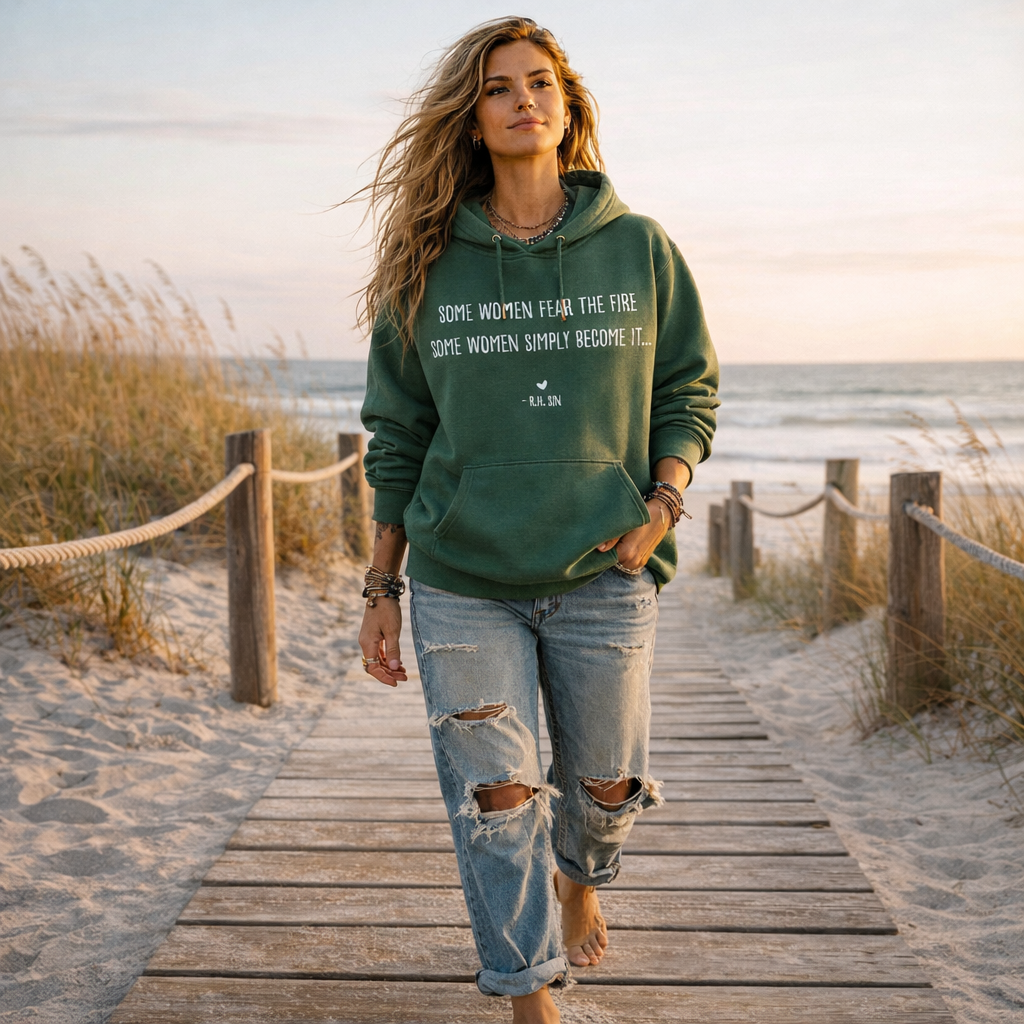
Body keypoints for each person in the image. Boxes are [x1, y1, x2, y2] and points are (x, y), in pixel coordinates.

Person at [356, 17, 718, 1024]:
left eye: (542, 84)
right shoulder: (426, 262)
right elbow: (397, 431)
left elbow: (687, 390)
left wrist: (661, 503)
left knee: (603, 787)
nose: (524, 100)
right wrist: (382, 586)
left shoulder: (640, 249)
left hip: (604, 565)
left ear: (568, 107)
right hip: (463, 575)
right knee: (495, 798)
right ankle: (525, 990)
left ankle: (583, 873)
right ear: (471, 120)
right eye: (500, 88)